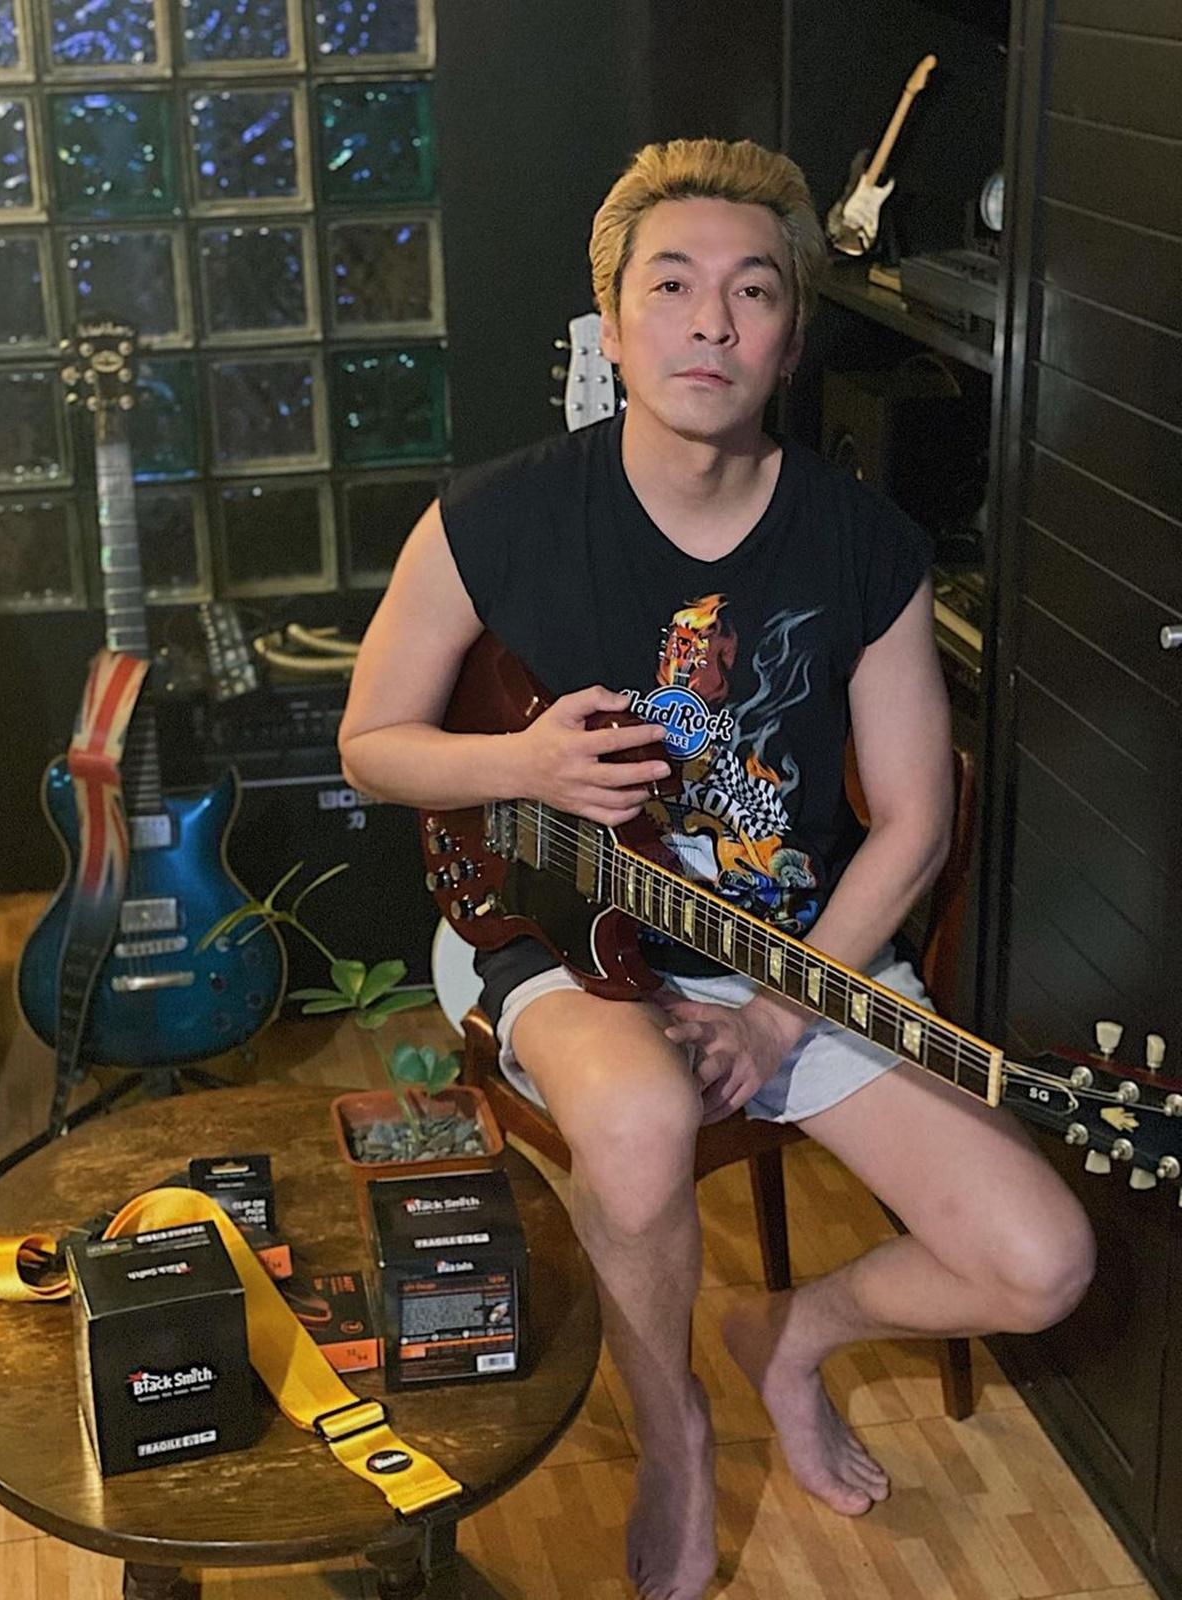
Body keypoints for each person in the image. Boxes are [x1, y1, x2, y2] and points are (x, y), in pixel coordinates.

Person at [338, 138, 1095, 1600]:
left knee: (1040, 1259)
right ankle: (675, 1435)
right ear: (613, 326)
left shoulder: (865, 545)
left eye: (754, 292)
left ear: (792, 339)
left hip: (797, 957)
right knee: (635, 1121)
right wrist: (524, 766)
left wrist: (780, 1016)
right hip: (553, 926)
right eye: (672, 286)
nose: (712, 322)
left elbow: (915, 823)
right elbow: (373, 747)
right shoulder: (493, 516)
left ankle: (789, 1337)